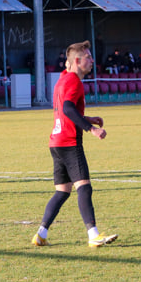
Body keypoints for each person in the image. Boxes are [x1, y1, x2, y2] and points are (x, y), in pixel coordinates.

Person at [32, 40, 118, 248]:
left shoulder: (62, 79)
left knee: (62, 191)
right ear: (77, 61)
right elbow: (69, 109)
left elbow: (66, 110)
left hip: (56, 142)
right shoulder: (73, 81)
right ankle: (93, 235)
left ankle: (41, 234)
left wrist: (87, 119)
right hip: (70, 143)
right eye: (88, 57)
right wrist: (92, 129)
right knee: (84, 188)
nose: (92, 60)